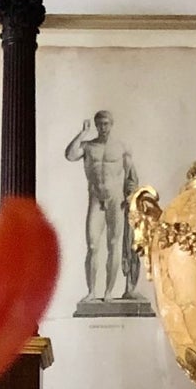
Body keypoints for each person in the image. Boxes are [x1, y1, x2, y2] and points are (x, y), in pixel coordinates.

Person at [63, 109, 141, 305]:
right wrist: (82, 133)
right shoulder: (88, 146)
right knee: (92, 245)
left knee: (114, 244)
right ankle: (91, 292)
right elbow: (70, 155)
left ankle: (108, 292)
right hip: (96, 198)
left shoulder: (121, 147)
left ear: (111, 124)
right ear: (96, 126)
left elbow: (131, 175)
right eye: (100, 124)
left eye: (106, 124)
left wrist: (130, 194)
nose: (103, 128)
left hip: (116, 199)